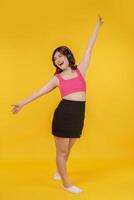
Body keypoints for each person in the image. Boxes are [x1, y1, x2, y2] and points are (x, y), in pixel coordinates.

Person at [11, 16, 103, 194]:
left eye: (60, 55)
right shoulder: (57, 79)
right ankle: (66, 183)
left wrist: (98, 26)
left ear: (68, 56)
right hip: (63, 115)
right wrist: (22, 103)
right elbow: (39, 92)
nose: (57, 59)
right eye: (55, 58)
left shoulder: (80, 71)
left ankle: (59, 170)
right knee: (61, 152)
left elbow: (89, 48)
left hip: (78, 115)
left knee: (68, 149)